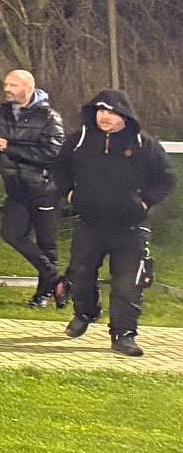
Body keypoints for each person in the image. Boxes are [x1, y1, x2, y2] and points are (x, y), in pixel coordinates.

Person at [57, 92, 173, 357]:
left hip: (131, 228)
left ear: (124, 116)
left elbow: (166, 179)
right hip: (90, 223)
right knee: (81, 275)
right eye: (100, 111)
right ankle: (86, 312)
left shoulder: (145, 145)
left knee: (128, 284)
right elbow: (59, 169)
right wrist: (70, 194)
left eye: (110, 112)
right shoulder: (79, 141)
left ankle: (123, 334)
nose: (104, 117)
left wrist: (145, 202)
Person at [0, 70, 66, 308]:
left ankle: (44, 295)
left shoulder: (49, 117)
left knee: (47, 244)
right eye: (6, 84)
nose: (7, 89)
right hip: (16, 190)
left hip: (45, 188)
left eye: (13, 85)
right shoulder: (0, 112)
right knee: (11, 234)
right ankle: (57, 280)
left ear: (28, 88)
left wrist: (9, 147)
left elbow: (52, 153)